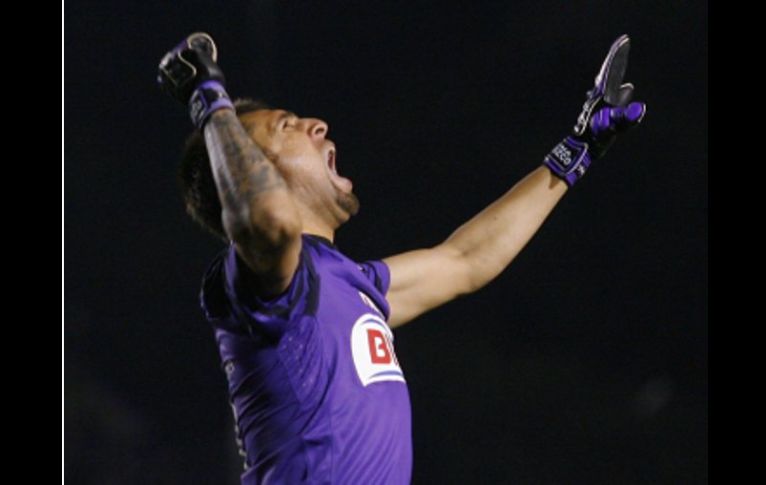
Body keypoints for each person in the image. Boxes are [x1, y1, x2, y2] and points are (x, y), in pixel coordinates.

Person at [157, 32, 645, 485]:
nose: (316, 124)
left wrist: (578, 149)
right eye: (286, 126)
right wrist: (211, 105)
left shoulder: (349, 283)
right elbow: (265, 222)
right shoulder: (261, 282)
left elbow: (464, 261)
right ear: (247, 170)